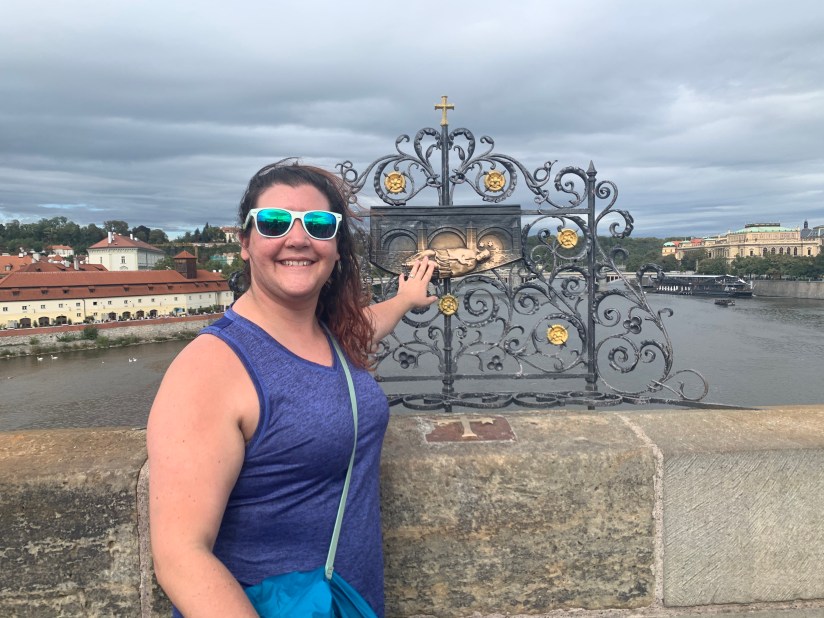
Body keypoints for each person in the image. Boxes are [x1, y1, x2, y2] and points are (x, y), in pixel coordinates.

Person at [147, 160, 437, 617]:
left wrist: (404, 299)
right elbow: (180, 558)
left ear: (336, 248)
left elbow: (367, 326)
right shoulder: (209, 368)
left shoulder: (331, 335)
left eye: (319, 224)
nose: (298, 238)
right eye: (274, 222)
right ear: (245, 243)